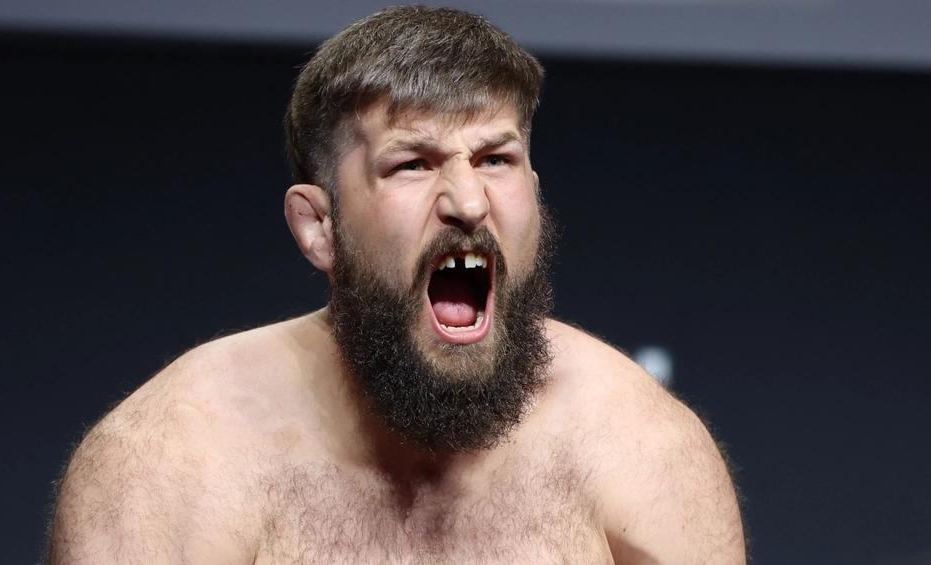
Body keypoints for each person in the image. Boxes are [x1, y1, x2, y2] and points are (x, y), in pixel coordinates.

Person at [46, 6, 745, 563]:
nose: (467, 201)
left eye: (495, 159)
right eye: (412, 163)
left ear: (534, 192)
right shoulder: (167, 467)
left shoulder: (644, 453)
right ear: (318, 225)